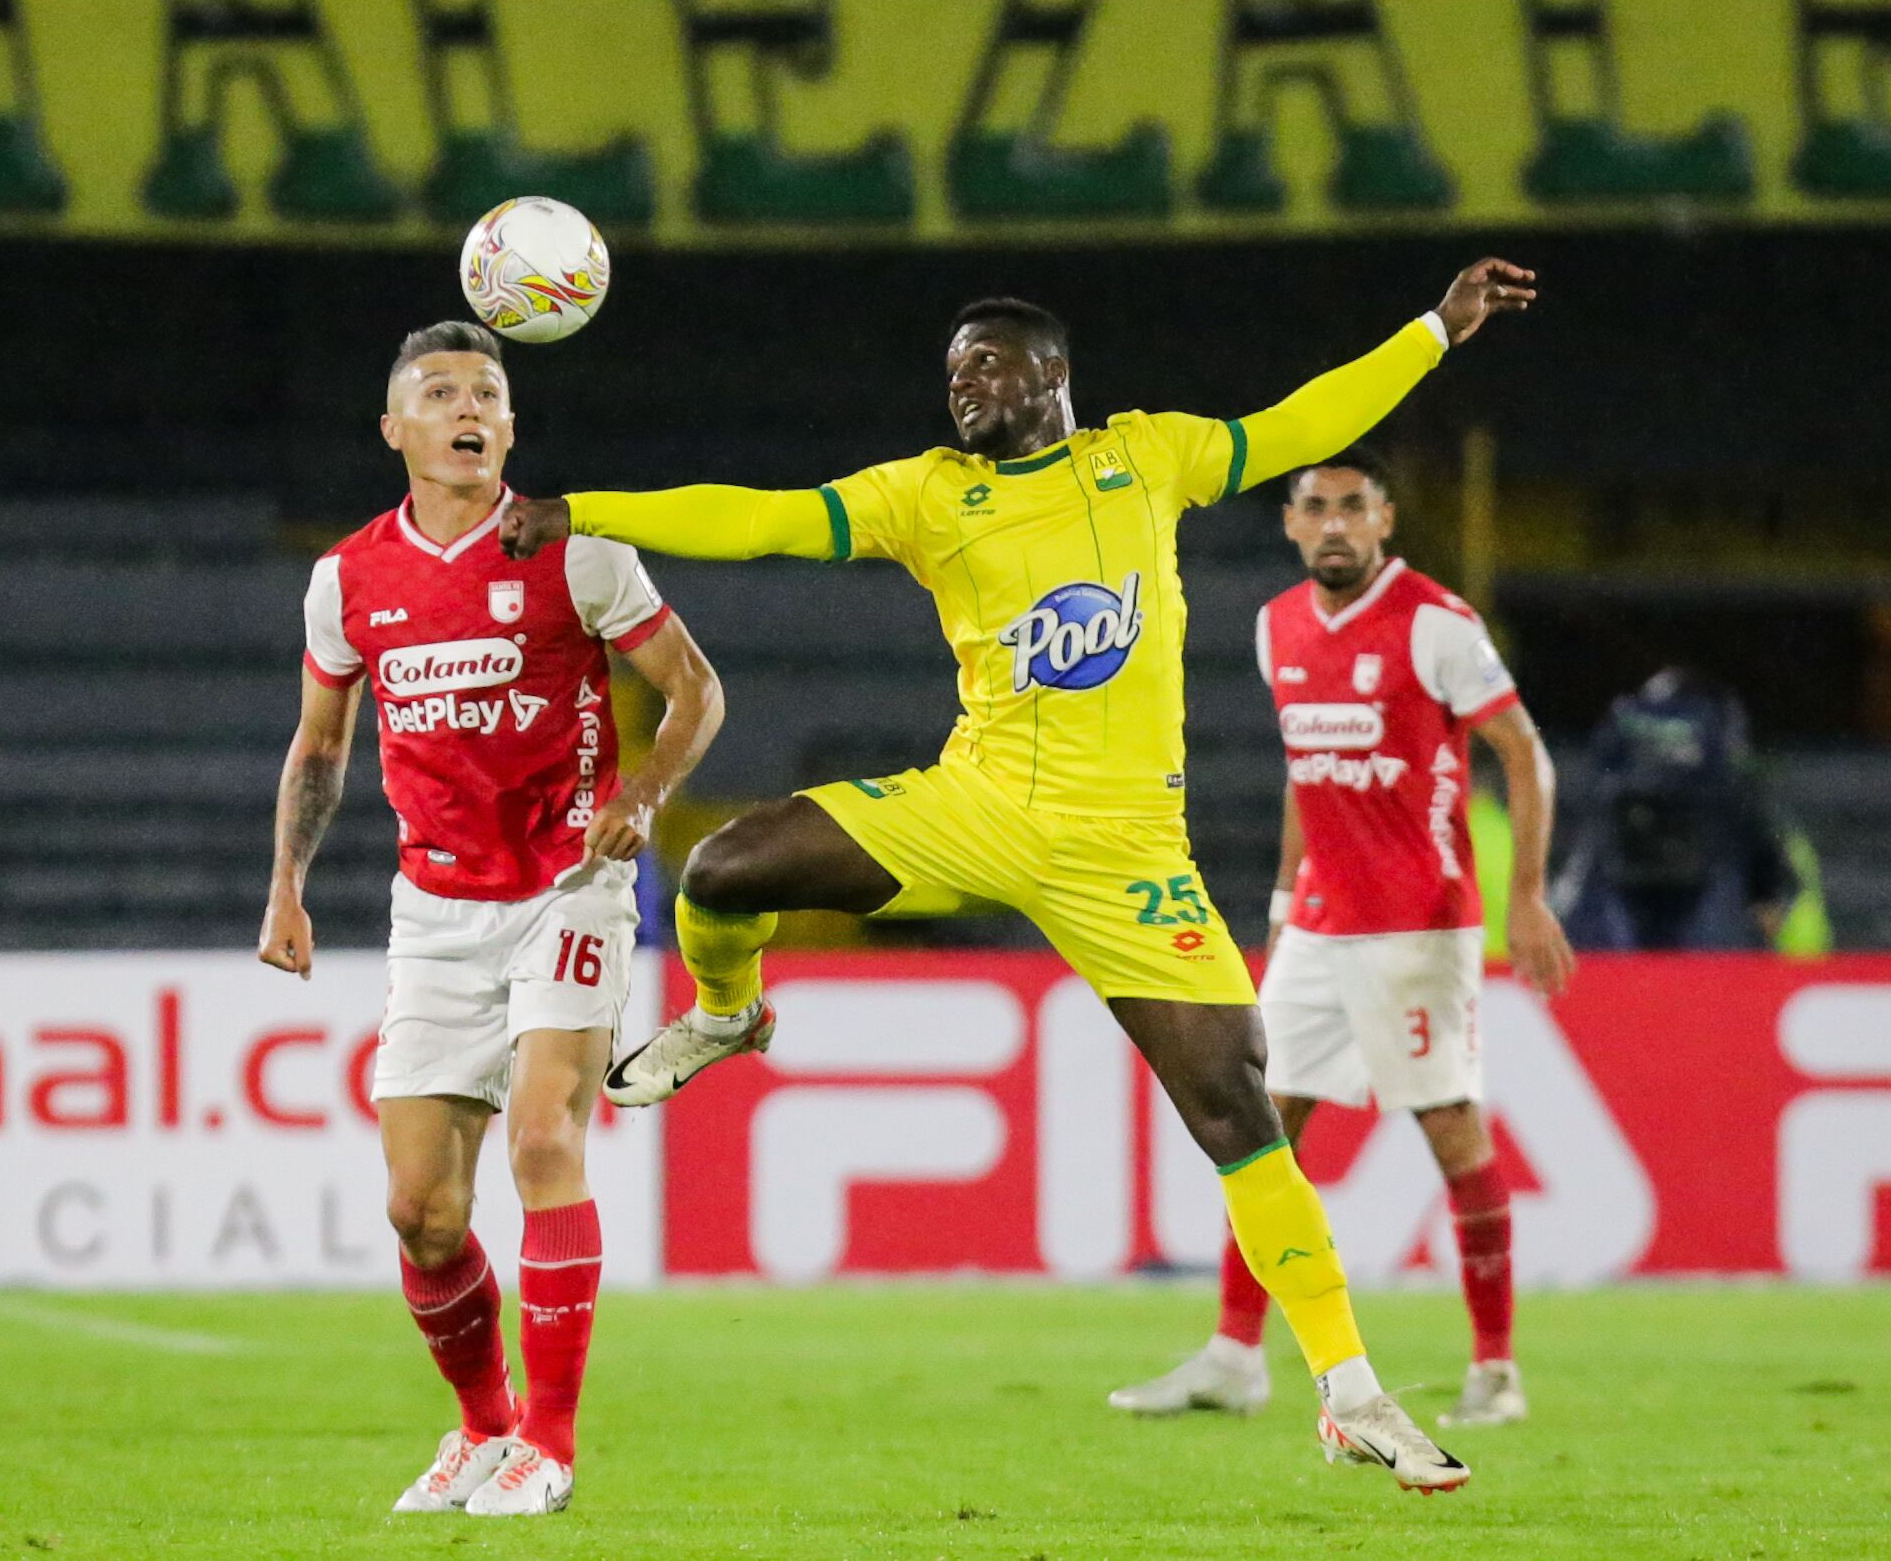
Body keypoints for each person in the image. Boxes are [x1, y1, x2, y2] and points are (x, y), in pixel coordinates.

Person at [504, 259, 1540, 1494]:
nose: (963, 389)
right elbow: (765, 514)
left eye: (987, 365)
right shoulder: (927, 495)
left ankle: (1349, 1391)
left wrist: (1433, 327)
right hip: (979, 803)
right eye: (950, 374)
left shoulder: (1146, 457)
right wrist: (584, 507)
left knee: (1236, 1106)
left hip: (1127, 849)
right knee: (724, 869)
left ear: (1051, 373)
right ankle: (730, 1011)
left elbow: (1300, 424)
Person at [257, 321, 724, 1519]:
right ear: (395, 429)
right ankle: (483, 1426)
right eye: (440, 390)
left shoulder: (579, 558)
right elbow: (320, 746)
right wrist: (287, 887)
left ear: (509, 427)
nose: (468, 407)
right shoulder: (347, 580)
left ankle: (551, 1448)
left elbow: (695, 690)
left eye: (488, 391)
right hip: (436, 910)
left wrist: (644, 796)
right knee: (421, 1208)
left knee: (542, 1140)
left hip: (569, 886)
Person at [1109, 447, 1574, 1430]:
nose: (1332, 523)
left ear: (1384, 519)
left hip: (1417, 923)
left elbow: (1522, 750)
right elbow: (1304, 769)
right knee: (1257, 1131)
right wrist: (1281, 910)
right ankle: (1235, 1354)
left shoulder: (1437, 623)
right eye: (1313, 507)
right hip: (1317, 925)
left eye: (1351, 507)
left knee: (1450, 1131)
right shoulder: (1275, 625)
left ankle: (1495, 1368)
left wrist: (1526, 896)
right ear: (1289, 523)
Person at [1554, 667, 1799, 951]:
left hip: (1612, 936)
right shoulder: (1720, 743)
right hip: (1709, 939)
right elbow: (1771, 883)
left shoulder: (1619, 735)